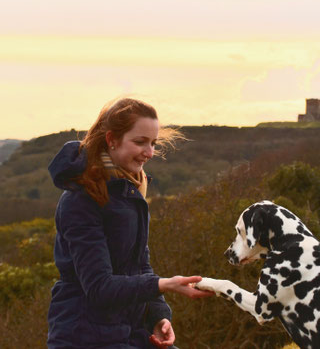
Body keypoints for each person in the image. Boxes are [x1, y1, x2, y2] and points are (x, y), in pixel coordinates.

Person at [47, 98, 212, 348]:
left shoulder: (130, 191)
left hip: (128, 331)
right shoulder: (80, 200)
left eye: (153, 143)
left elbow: (139, 265)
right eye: (140, 142)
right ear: (112, 139)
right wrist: (165, 284)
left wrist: (158, 315)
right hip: (84, 337)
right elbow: (99, 287)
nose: (150, 152)